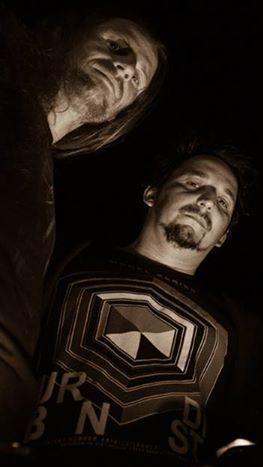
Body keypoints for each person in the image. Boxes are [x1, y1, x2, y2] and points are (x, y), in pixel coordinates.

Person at [20, 141, 263, 467]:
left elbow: (244, 438)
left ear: (223, 236)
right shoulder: (68, 260)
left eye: (224, 201)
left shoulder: (239, 323)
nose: (207, 200)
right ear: (152, 193)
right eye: (194, 183)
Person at [0, 6, 166, 442]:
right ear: (68, 32)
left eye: (137, 79)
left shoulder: (41, 178)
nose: (126, 68)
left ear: (119, 113)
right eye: (117, 46)